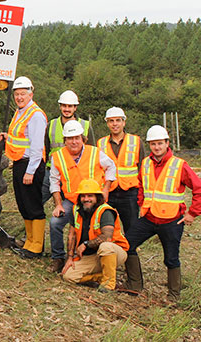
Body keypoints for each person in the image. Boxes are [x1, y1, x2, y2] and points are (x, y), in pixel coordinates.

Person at [124, 125, 201, 301]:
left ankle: (173, 296)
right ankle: (135, 286)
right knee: (126, 244)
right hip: (148, 218)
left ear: (167, 143)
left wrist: (192, 213)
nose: (156, 147)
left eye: (160, 143)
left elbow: (200, 190)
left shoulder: (179, 165)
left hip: (171, 221)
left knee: (171, 258)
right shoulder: (146, 163)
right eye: (153, 144)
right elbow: (141, 186)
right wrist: (141, 203)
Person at [47, 120, 117, 273]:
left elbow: (111, 166)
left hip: (93, 202)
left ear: (83, 138)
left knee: (96, 228)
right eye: (70, 138)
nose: (73, 142)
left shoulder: (95, 153)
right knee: (55, 223)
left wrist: (106, 189)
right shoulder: (58, 156)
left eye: (77, 138)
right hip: (72, 201)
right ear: (65, 140)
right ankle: (58, 258)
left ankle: (98, 258)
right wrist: (58, 204)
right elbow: (54, 181)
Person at [0, 76, 47, 259]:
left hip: (30, 165)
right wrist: (7, 138)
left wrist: (30, 172)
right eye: (17, 94)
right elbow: (21, 139)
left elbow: (36, 147)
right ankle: (29, 242)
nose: (19, 97)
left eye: (23, 94)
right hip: (20, 163)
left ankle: (36, 247)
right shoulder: (20, 112)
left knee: (33, 206)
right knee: (23, 205)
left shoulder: (35, 114)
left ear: (31, 94)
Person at [61, 179, 129, 292]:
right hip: (92, 255)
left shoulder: (105, 211)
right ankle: (99, 277)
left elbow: (107, 238)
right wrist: (69, 258)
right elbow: (71, 235)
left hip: (115, 251)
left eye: (90, 196)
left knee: (105, 247)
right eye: (83, 196)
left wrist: (86, 244)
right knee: (69, 276)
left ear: (97, 197)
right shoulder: (76, 210)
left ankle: (109, 284)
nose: (86, 199)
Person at [96, 107, 142, 235]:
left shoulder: (136, 141)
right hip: (108, 191)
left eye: (118, 120)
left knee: (131, 226)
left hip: (130, 192)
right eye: (111, 121)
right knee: (105, 224)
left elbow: (143, 168)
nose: (115, 124)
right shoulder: (101, 143)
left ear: (124, 122)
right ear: (107, 123)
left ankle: (131, 252)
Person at [42, 90, 93, 204]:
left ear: (75, 108)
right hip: (52, 171)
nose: (67, 109)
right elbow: (45, 150)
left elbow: (91, 153)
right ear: (60, 106)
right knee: (36, 203)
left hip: (76, 173)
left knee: (74, 205)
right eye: (64, 106)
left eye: (70, 106)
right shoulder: (51, 125)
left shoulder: (85, 126)